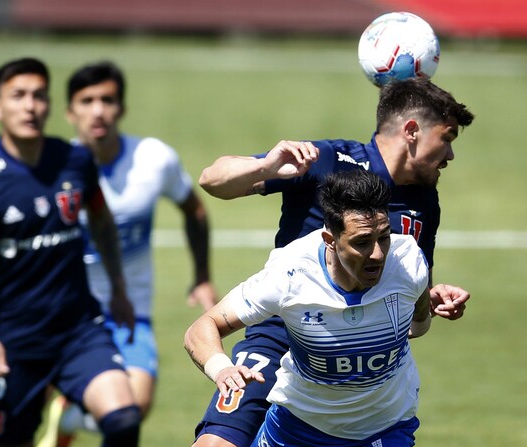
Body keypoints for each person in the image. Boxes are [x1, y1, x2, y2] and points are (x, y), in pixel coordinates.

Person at [193, 77, 474, 447]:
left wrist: (431, 297)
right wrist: (267, 167)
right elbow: (212, 180)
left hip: (347, 352)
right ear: (412, 131)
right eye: (448, 137)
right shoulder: (327, 161)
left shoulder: (424, 203)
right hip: (280, 332)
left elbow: (408, 287)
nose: (450, 155)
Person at [0, 57, 141, 447]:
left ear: (49, 105)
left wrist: (118, 288)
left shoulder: (76, 160)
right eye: (18, 96)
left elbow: (100, 220)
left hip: (80, 333)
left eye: (38, 96)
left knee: (124, 419)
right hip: (15, 345)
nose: (30, 106)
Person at [185, 169, 440, 447]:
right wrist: (222, 369)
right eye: (362, 242)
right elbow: (202, 328)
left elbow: (419, 316)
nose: (378, 254)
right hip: (297, 429)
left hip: (384, 429)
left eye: (384, 237)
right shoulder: (290, 274)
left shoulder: (408, 262)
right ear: (330, 241)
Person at [37, 61, 218, 447]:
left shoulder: (154, 159)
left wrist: (201, 276)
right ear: (69, 112)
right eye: (86, 101)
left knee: (133, 410)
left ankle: (67, 420)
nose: (98, 110)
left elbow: (195, 210)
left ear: (122, 108)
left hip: (130, 310)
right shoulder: (51, 168)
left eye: (107, 100)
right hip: (67, 313)